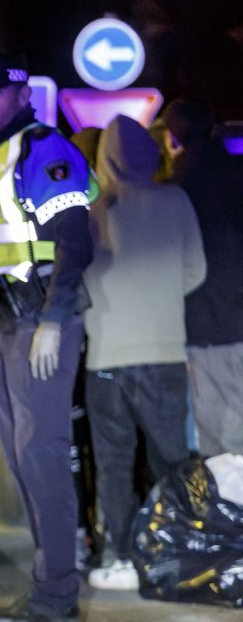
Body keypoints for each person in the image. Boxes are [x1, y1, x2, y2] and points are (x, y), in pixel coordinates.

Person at [0, 52, 96, 622]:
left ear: (21, 94)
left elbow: (76, 241)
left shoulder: (44, 150)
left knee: (42, 459)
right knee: (22, 461)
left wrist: (56, 320)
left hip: (41, 322)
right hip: (3, 327)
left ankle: (57, 596)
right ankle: (49, 588)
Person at [82, 115, 205, 590]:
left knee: (113, 464)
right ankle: (176, 548)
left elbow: (79, 272)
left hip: (106, 357)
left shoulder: (94, 207)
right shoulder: (175, 200)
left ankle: (119, 557)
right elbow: (196, 270)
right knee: (171, 459)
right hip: (164, 353)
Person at [159, 99, 243, 458]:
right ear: (212, 129)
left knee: (211, 428)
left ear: (170, 139)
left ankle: (226, 505)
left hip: (198, 325)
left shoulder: (169, 189)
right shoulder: (238, 174)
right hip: (238, 317)